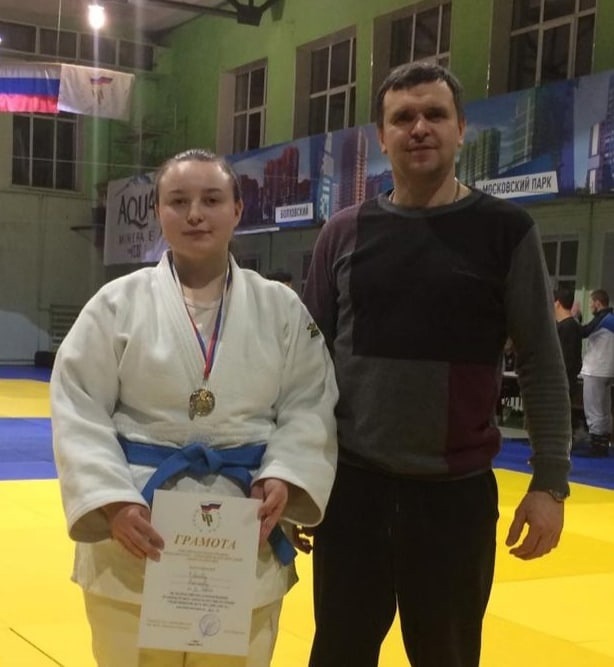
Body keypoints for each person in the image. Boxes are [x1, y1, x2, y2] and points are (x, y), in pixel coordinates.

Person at [302, 62, 571, 667]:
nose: (419, 127)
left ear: (460, 129)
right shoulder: (343, 233)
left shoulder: (506, 231)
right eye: (403, 117)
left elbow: (540, 360)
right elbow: (305, 366)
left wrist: (550, 482)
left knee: (447, 658)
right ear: (382, 136)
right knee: (338, 654)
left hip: (454, 498)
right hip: (353, 491)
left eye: (434, 114)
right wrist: (296, 478)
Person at [50, 148, 338, 667]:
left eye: (211, 200)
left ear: (238, 209)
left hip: (244, 529)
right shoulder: (115, 304)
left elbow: (309, 403)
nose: (195, 214)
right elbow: (78, 408)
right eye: (178, 201)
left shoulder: (280, 308)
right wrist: (111, 501)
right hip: (136, 526)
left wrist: (285, 474)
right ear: (158, 211)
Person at [574, 289, 614, 457]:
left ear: (598, 303)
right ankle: (603, 443)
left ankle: (596, 445)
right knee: (604, 409)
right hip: (608, 370)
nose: (590, 306)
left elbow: (582, 332)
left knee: (593, 409)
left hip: (595, 370)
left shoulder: (603, 318)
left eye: (591, 303)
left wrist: (575, 317)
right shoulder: (611, 318)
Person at [553, 287, 583, 438]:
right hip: (563, 376)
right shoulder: (566, 325)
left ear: (558, 303)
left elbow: (568, 357)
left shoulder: (569, 327)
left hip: (563, 378)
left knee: (560, 411)